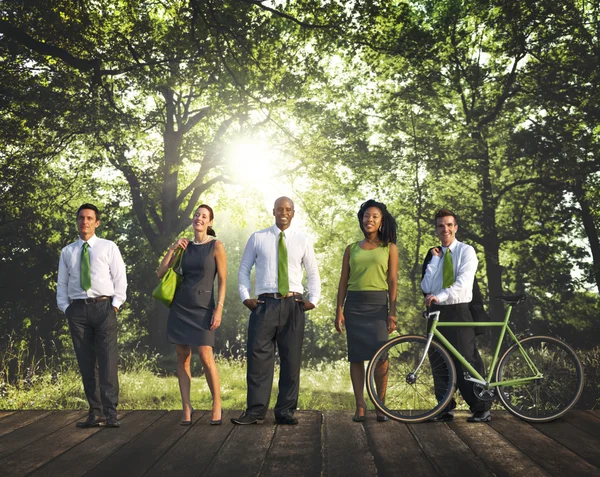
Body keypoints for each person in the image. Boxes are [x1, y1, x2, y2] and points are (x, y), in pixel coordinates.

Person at [232, 196, 321, 425]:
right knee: (258, 359)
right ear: (273, 211)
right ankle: (255, 412)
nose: (284, 212)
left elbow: (312, 273)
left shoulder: (302, 240)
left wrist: (314, 299)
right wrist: (245, 298)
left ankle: (285, 412)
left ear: (293, 213)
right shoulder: (258, 238)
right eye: (280, 209)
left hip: (294, 304)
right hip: (264, 305)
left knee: (291, 361)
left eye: (288, 209)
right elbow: (243, 269)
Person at [57, 203, 127, 428]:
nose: (84, 222)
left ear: (96, 223)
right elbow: (62, 284)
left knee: (107, 362)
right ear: (77, 221)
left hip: (104, 308)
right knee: (86, 363)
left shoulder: (108, 247)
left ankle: (110, 414)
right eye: (81, 218)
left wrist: (115, 305)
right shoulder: (68, 251)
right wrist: (66, 309)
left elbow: (120, 278)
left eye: (89, 218)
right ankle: (95, 412)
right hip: (77, 311)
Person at [157, 204, 226, 426]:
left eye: (204, 216)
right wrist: (173, 247)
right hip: (181, 306)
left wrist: (219, 308)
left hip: (204, 307)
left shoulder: (216, 246)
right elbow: (161, 273)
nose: (199, 218)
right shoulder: (184, 246)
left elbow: (223, 280)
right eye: (197, 215)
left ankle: (216, 405)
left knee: (206, 356)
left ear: (210, 222)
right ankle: (186, 407)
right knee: (182, 356)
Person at [421, 208, 492, 422]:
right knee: (438, 360)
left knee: (466, 360)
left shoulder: (466, 251)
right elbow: (426, 285)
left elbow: (463, 284)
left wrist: (439, 296)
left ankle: (482, 407)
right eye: (441, 225)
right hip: (436, 312)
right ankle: (444, 408)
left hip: (459, 310)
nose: (445, 229)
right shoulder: (433, 254)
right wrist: (434, 262)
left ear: (456, 227)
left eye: (449, 225)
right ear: (436, 229)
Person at [335, 200, 398, 422]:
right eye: (366, 216)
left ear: (381, 221)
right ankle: (360, 406)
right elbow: (343, 280)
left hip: (378, 305)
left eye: (374, 217)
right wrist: (339, 310)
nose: (369, 220)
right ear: (361, 220)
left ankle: (380, 404)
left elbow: (392, 281)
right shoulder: (351, 249)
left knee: (381, 358)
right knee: (356, 357)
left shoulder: (389, 248)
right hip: (354, 306)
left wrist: (392, 312)